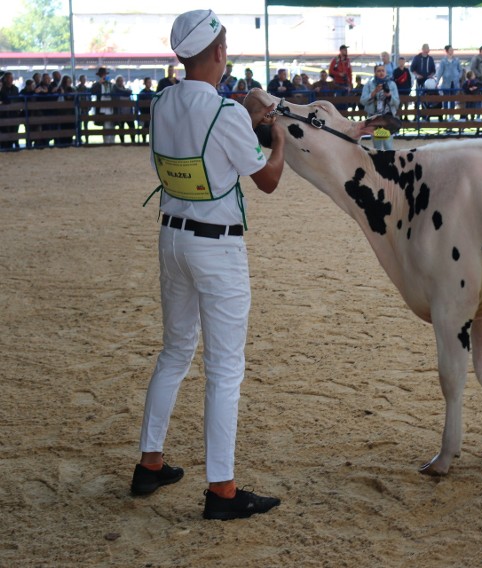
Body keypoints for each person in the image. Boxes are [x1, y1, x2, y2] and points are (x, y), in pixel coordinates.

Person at [135, 9, 286, 521]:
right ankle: (222, 490)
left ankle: (150, 462)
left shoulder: (161, 104)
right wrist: (277, 132)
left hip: (171, 238)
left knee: (175, 351)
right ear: (219, 53)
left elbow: (204, 132)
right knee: (224, 370)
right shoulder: (224, 115)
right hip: (217, 248)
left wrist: (244, 114)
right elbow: (265, 179)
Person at [360, 64, 400, 150]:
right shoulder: (369, 85)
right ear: (375, 73)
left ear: (386, 72)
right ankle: (379, 162)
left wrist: (389, 96)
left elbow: (397, 103)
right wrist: (373, 93)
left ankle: (388, 162)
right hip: (375, 118)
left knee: (388, 145)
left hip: (388, 118)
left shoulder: (392, 84)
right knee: (377, 146)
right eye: (378, 71)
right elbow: (362, 101)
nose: (381, 73)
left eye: (383, 70)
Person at [436, 45, 462, 117]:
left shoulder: (456, 60)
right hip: (446, 82)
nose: (452, 51)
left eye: (452, 50)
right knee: (446, 99)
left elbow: (460, 70)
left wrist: (458, 77)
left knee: (453, 99)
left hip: (454, 82)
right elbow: (440, 71)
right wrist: (437, 81)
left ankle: (452, 115)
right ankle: (446, 115)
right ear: (447, 51)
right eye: (450, 50)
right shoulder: (443, 61)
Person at [90, 67, 114, 144]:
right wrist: (98, 83)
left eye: (105, 74)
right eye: (103, 75)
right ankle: (107, 142)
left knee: (111, 124)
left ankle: (111, 141)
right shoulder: (96, 84)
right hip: (102, 107)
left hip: (111, 106)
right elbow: (92, 91)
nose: (104, 76)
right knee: (106, 125)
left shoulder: (111, 84)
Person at [0, 71, 21, 150]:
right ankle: (6, 145)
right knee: (4, 130)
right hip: (3, 113)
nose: (11, 79)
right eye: (9, 78)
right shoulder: (2, 88)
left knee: (14, 129)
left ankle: (15, 144)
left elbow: (17, 99)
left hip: (13, 112)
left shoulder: (15, 88)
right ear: (5, 79)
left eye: (12, 78)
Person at [111, 75, 135, 143]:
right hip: (120, 112)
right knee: (121, 128)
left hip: (128, 112)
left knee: (132, 127)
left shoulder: (126, 90)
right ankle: (122, 142)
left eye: (122, 80)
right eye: (119, 81)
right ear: (117, 82)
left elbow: (129, 93)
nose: (121, 82)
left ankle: (133, 141)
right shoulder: (115, 90)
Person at [137, 77, 155, 143]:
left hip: (151, 114)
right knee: (144, 128)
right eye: (148, 82)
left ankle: (151, 141)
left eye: (150, 82)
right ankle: (144, 141)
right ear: (145, 83)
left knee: (151, 129)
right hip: (144, 113)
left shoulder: (153, 93)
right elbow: (139, 104)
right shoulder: (142, 93)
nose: (149, 83)